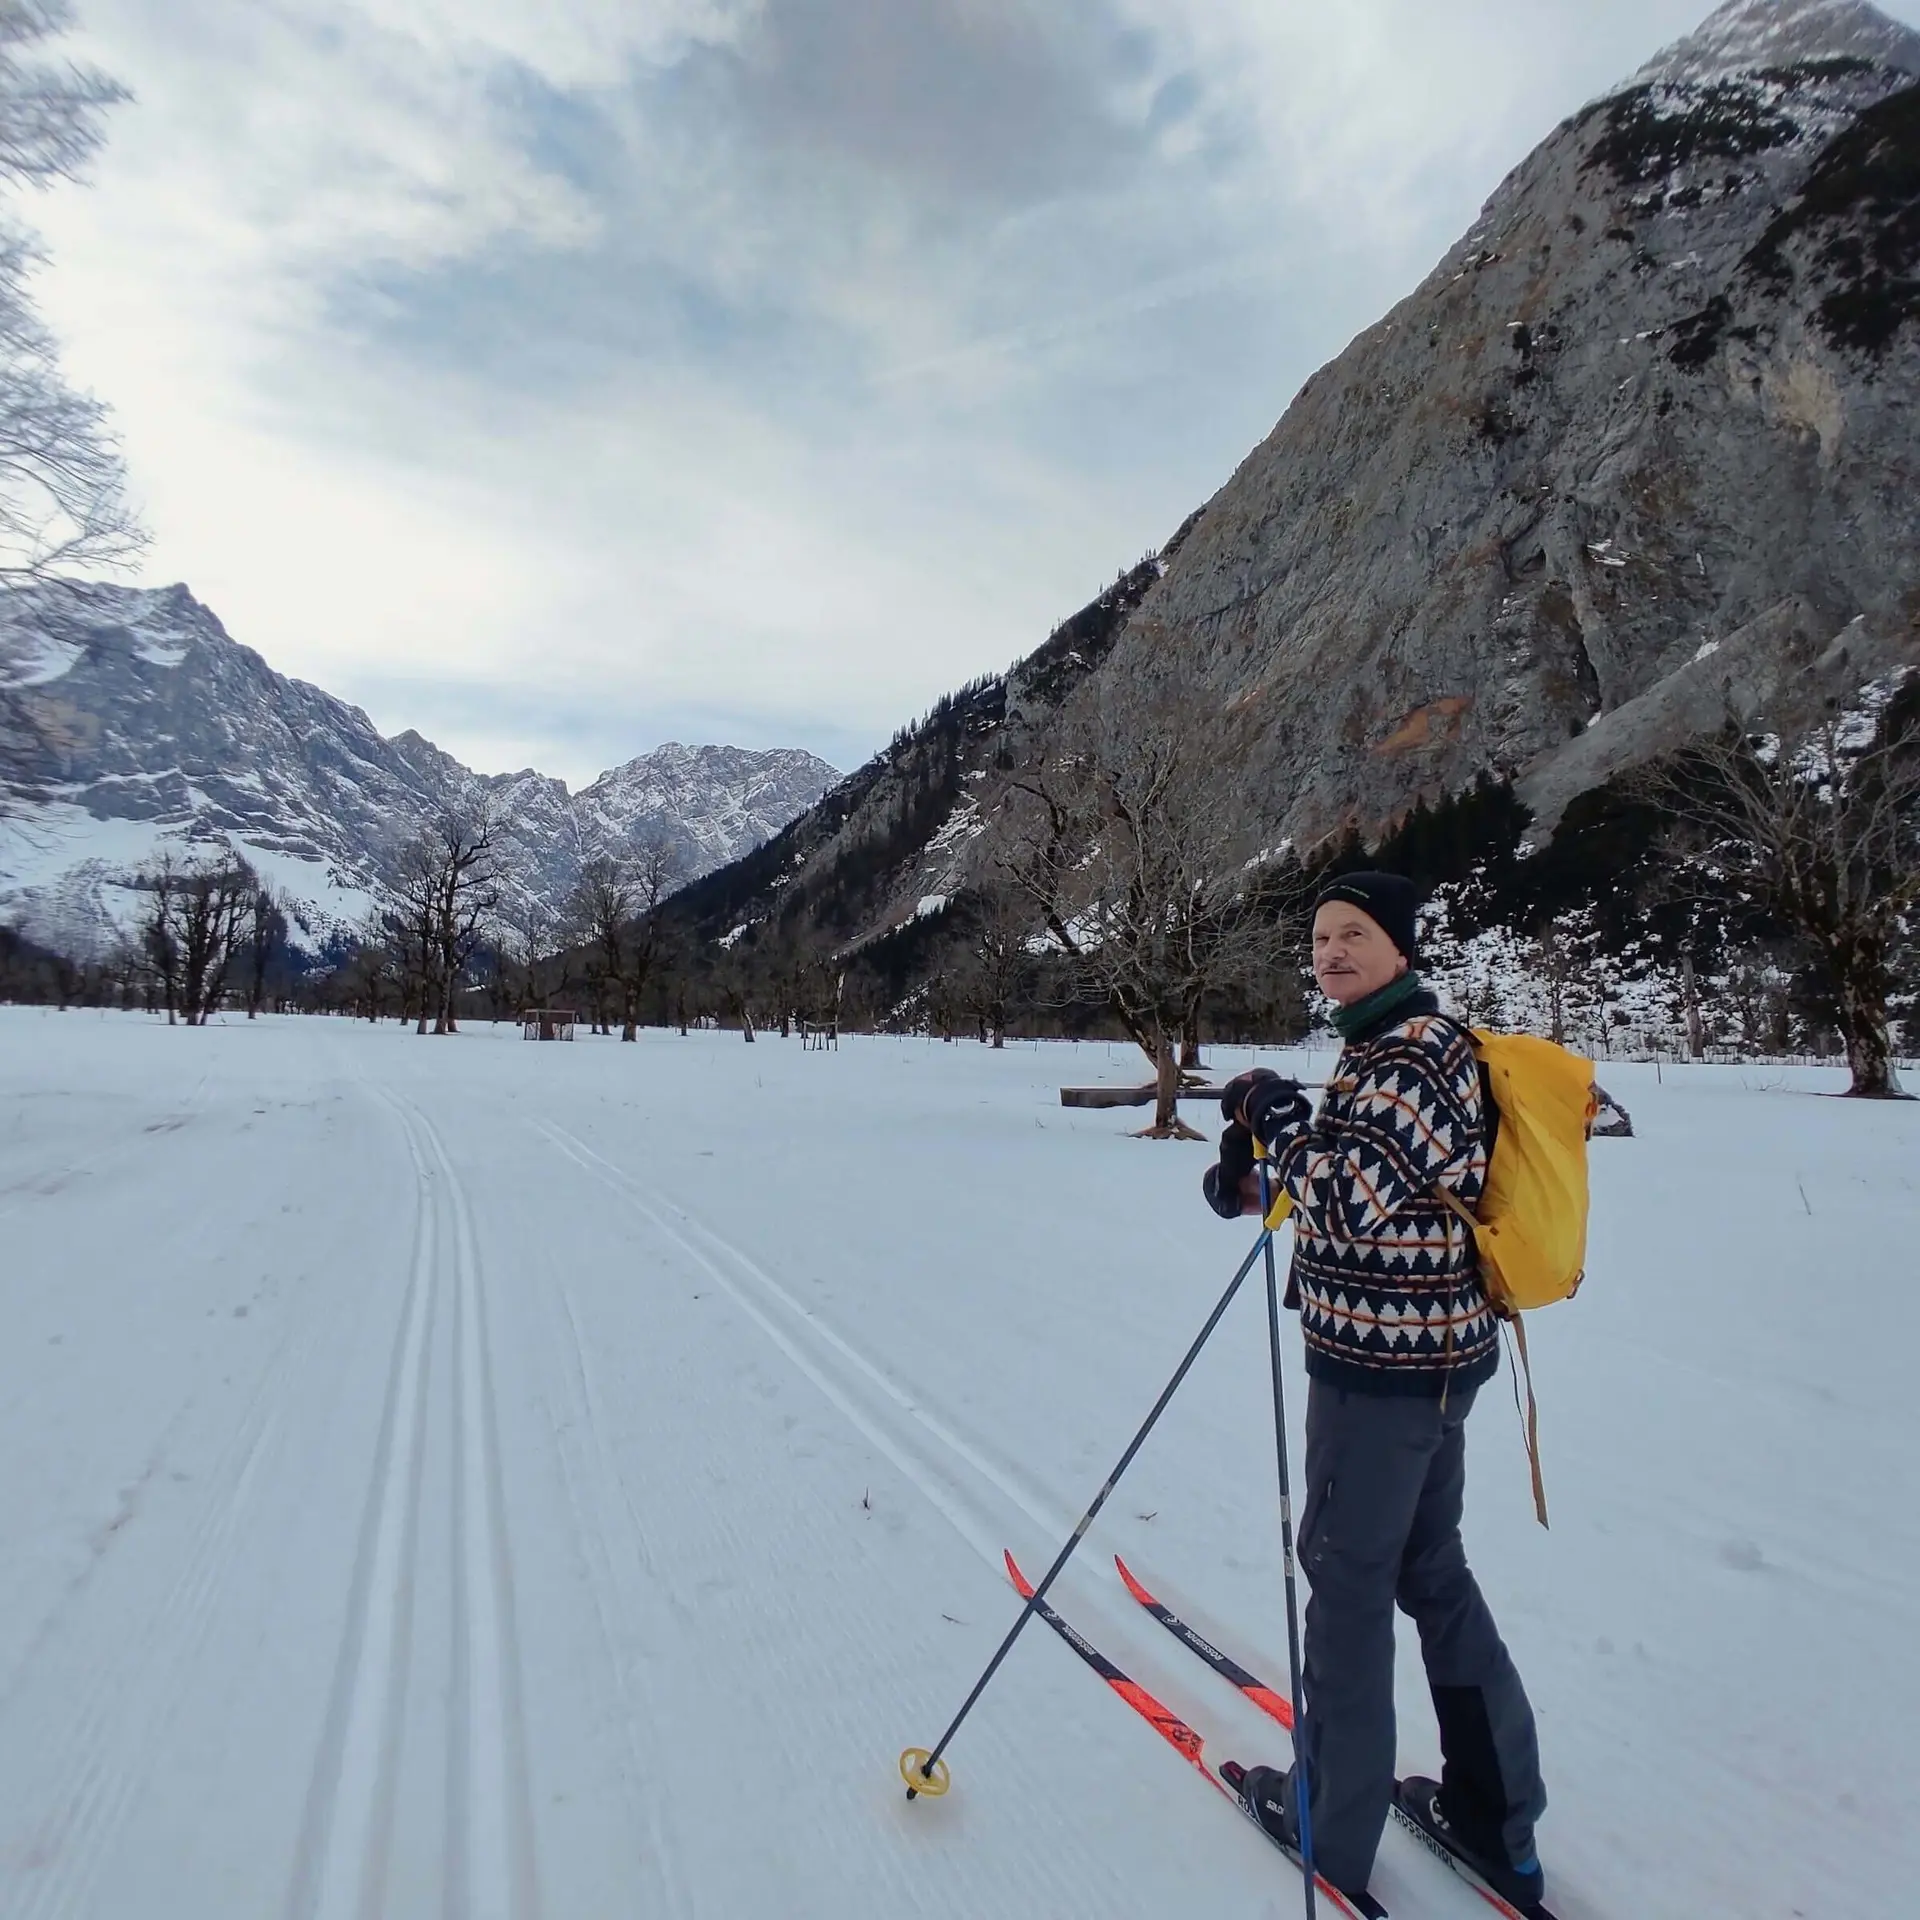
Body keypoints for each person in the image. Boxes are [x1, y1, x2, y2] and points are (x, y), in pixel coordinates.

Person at [1202, 871, 1548, 1910]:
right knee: (1427, 1570)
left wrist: (1276, 1112)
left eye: (1356, 934)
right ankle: (1493, 1820)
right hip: (1427, 1369)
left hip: (1380, 1378)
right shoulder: (1394, 1052)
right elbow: (1389, 1193)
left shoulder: (1411, 1056)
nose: (1332, 951)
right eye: (1320, 936)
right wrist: (1259, 1180)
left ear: (1401, 949)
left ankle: (1330, 1827)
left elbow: (1350, 1197)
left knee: (1348, 1583)